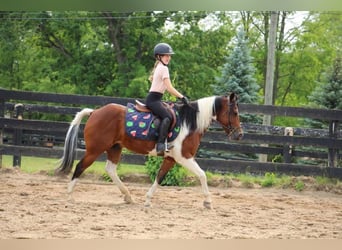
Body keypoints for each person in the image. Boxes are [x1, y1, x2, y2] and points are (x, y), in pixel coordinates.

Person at [146, 42, 189, 155]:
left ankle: (164, 142)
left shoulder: (160, 67)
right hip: (153, 99)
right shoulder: (163, 69)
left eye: (169, 56)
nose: (168, 58)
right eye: (166, 55)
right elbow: (169, 88)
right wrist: (182, 97)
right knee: (168, 116)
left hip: (155, 99)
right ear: (159, 56)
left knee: (169, 113)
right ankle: (160, 144)